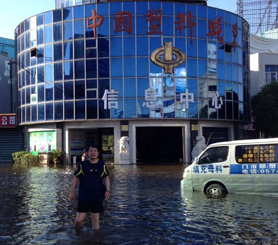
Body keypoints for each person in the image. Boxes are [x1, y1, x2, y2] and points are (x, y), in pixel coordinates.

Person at [69, 145, 111, 231]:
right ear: (87, 153)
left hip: (97, 195)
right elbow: (76, 178)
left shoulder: (101, 164)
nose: (93, 153)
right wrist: (72, 192)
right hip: (84, 196)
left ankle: (95, 240)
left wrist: (107, 190)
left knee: (95, 220)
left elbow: (106, 178)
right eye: (91, 151)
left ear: (98, 153)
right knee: (79, 220)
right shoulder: (82, 165)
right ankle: (78, 234)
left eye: (95, 151)